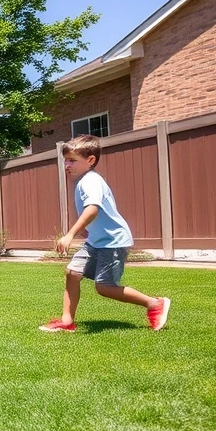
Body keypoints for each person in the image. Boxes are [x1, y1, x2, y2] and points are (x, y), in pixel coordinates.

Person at [40, 134, 170, 333]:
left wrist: (70, 234)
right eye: (65, 160)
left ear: (90, 160)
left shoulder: (91, 181)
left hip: (113, 241)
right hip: (97, 241)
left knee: (105, 287)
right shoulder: (83, 181)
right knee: (72, 272)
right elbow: (94, 213)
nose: (67, 165)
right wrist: (87, 229)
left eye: (72, 160)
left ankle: (154, 304)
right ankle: (67, 321)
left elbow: (92, 208)